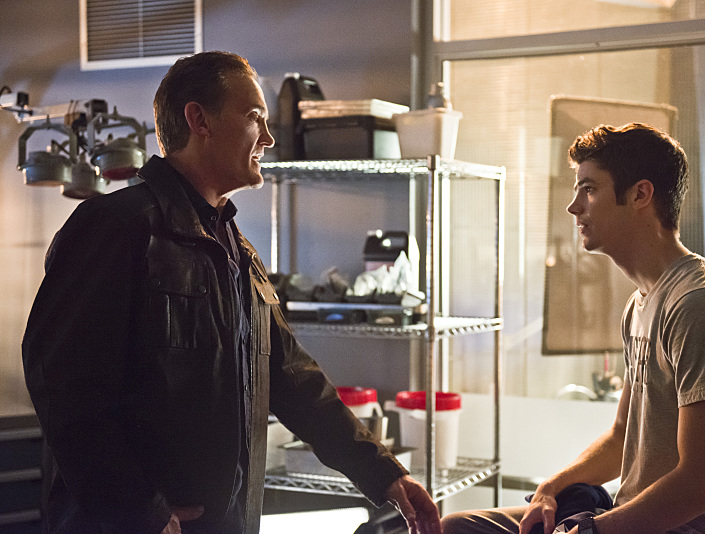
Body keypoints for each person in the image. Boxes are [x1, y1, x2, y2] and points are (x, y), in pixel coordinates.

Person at [22, 51, 442, 534]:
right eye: (254, 117)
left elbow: (293, 378)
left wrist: (384, 474)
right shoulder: (116, 227)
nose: (268, 137)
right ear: (199, 120)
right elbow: (63, 386)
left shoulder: (237, 250)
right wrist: (142, 510)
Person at [441, 123, 705, 534]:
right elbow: (619, 437)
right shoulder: (640, 304)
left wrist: (594, 531)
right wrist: (551, 488)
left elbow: (701, 486)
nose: (573, 207)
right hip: (631, 518)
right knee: (458, 526)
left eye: (589, 189)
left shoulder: (702, 303)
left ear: (640, 194)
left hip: (688, 530)